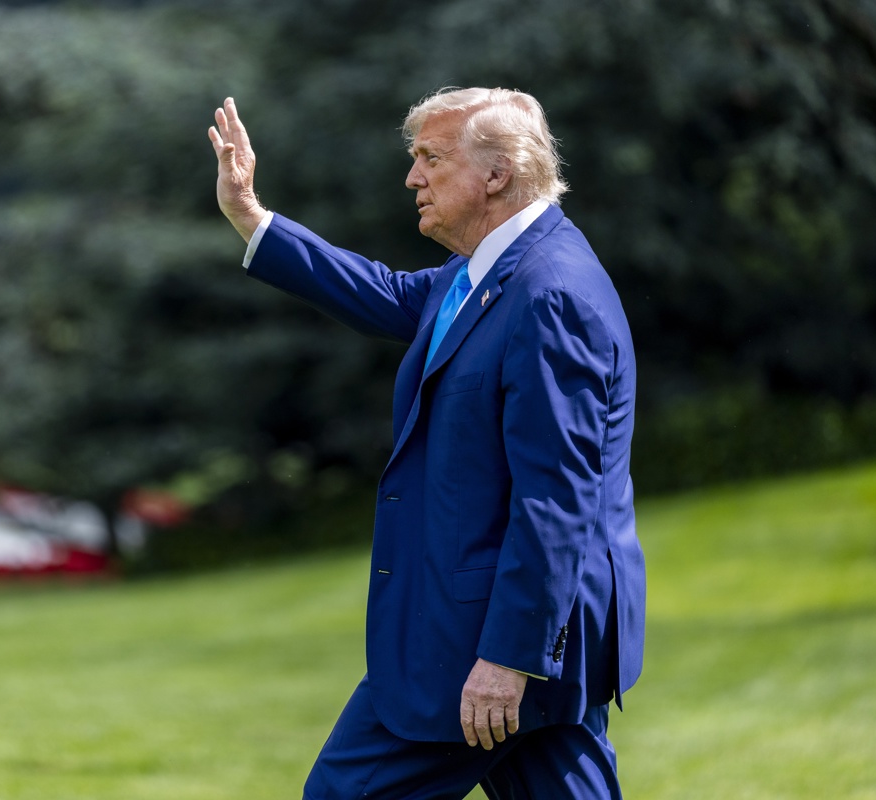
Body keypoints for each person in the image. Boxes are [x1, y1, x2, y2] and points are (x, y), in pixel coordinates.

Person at [208, 87, 645, 799]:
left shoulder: (550, 294)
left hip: (492, 642)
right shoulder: (483, 269)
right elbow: (386, 293)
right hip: (526, 633)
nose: (413, 178)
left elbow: (557, 498)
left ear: (497, 174)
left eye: (431, 159)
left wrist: (508, 660)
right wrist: (251, 218)